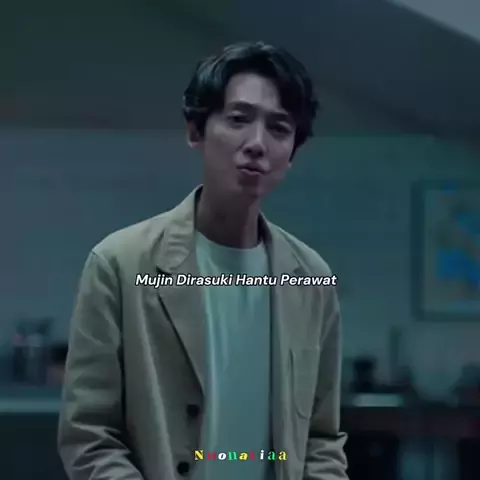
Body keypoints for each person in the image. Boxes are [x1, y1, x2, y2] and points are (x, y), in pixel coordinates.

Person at [57, 41, 349, 480]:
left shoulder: (311, 279)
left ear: (292, 153)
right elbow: (89, 434)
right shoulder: (119, 265)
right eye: (238, 119)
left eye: (279, 128)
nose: (256, 143)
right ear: (196, 131)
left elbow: (322, 437)